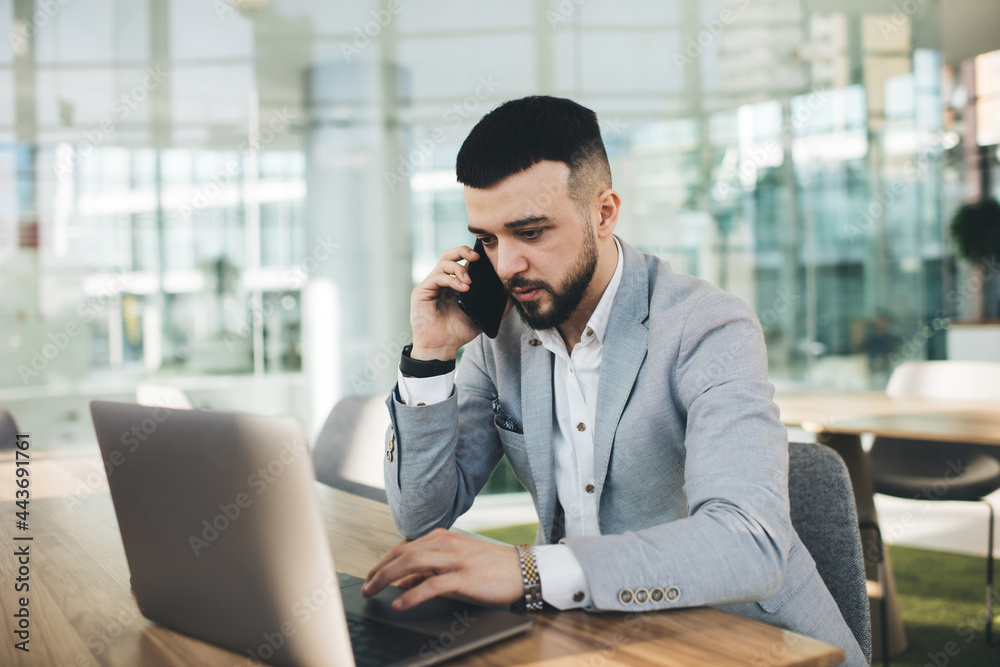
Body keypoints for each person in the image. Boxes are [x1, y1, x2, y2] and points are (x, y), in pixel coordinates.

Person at [361, 95, 866, 665]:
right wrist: (430, 356)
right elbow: (422, 516)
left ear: (604, 213)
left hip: (750, 641)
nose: (504, 266)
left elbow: (751, 541)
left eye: (530, 232)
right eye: (489, 238)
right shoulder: (498, 331)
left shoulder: (706, 324)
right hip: (597, 639)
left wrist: (528, 571)